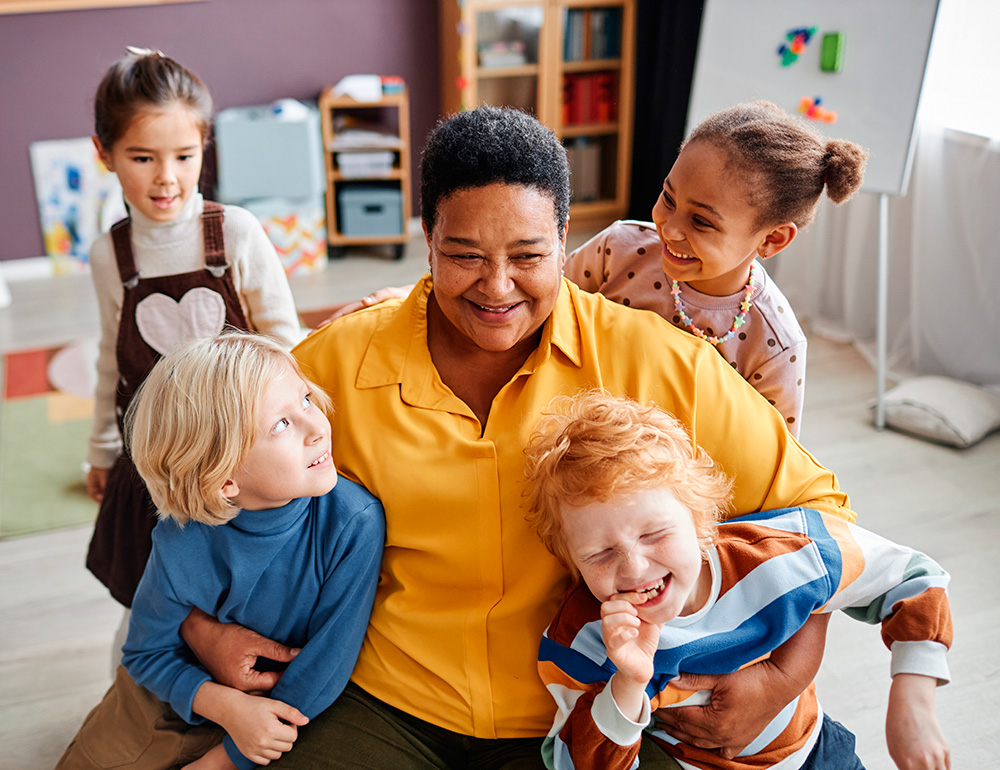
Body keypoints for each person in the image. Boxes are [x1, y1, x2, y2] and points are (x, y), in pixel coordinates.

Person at [179, 105, 861, 769]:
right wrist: (199, 631)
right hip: (385, 703)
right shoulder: (335, 361)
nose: (496, 287)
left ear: (566, 242)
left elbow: (821, 520)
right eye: (464, 254)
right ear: (428, 239)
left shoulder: (661, 362)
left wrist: (783, 679)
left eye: (528, 256)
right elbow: (207, 493)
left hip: (586, 710)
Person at [524, 390, 952, 770]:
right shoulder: (584, 636)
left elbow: (914, 579)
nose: (634, 569)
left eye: (654, 534)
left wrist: (913, 702)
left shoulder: (779, 554)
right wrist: (629, 684)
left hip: (817, 753)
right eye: (600, 554)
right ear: (573, 562)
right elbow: (571, 760)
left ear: (699, 520)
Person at [56, 331, 385, 770]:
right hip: (176, 697)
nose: (316, 428)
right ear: (224, 479)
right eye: (281, 425)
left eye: (305, 400)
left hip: (282, 718)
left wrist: (225, 760)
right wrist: (226, 707)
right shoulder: (181, 538)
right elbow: (144, 653)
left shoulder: (353, 523)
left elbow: (323, 672)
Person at [83, 48, 302, 657]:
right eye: (142, 157)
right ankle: (151, 675)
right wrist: (101, 447)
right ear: (104, 154)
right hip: (153, 465)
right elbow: (111, 359)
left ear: (205, 147)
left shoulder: (234, 232)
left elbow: (286, 344)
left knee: (240, 587)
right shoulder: (111, 257)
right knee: (154, 590)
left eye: (185, 156)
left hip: (239, 457)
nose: (167, 178)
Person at [564, 102, 868, 438]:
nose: (671, 229)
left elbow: (774, 461)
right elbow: (550, 319)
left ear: (773, 239)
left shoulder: (775, 344)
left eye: (701, 221)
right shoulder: (616, 250)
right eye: (668, 197)